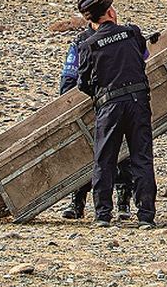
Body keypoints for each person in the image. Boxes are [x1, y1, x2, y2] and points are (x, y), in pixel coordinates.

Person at [76, 0, 159, 228]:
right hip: (138, 102)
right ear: (111, 12)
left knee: (104, 159)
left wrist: (100, 96)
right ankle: (146, 215)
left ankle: (103, 214)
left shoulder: (88, 45)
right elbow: (143, 56)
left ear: (90, 20)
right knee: (141, 157)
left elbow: (83, 82)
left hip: (109, 104)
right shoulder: (132, 33)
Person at [58, 25, 135, 221]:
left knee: (121, 152)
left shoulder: (120, 35)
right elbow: (70, 76)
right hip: (92, 102)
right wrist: (71, 103)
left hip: (114, 100)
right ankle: (78, 201)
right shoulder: (82, 41)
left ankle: (123, 200)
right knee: (84, 152)